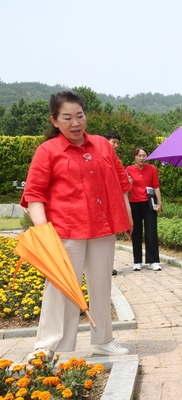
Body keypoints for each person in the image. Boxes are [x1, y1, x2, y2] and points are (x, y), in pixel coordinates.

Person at [20, 91, 132, 362]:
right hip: (65, 231)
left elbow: (120, 179)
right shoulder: (48, 151)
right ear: (55, 121)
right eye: (67, 117)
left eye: (79, 115)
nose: (75, 122)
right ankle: (46, 346)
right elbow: (34, 194)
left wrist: (125, 212)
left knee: (101, 285)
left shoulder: (103, 145)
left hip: (102, 228)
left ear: (86, 115)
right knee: (60, 287)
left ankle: (103, 340)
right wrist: (44, 232)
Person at [125, 146, 162, 271]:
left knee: (151, 231)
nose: (142, 158)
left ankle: (154, 261)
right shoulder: (129, 170)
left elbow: (156, 186)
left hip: (149, 203)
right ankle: (137, 261)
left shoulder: (152, 169)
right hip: (134, 203)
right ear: (134, 156)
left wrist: (160, 203)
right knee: (136, 232)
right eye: (139, 155)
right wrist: (128, 184)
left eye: (144, 155)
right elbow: (126, 189)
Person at [104, 131, 131, 276]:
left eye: (117, 143)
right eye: (113, 141)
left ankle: (109, 266)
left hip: (113, 203)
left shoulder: (117, 161)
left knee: (110, 237)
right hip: (101, 204)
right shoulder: (100, 157)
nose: (115, 145)